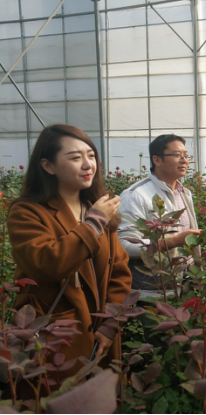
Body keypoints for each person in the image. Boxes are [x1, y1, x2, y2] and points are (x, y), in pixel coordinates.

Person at [7, 124, 132, 378]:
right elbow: (49, 264)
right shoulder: (27, 212)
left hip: (100, 337)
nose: (88, 164)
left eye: (91, 155)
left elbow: (119, 271)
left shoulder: (94, 207)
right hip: (56, 338)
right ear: (48, 166)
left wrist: (110, 324)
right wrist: (94, 222)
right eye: (75, 158)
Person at [118, 134, 201, 298]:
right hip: (151, 289)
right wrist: (172, 241)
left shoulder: (184, 193)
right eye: (177, 155)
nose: (184, 160)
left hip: (185, 284)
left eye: (186, 155)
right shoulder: (136, 195)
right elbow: (123, 245)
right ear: (157, 160)